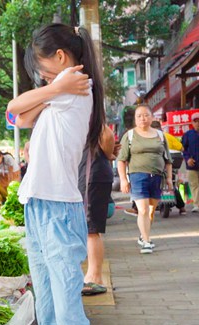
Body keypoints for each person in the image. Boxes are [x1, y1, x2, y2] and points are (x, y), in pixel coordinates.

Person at [6, 23, 121, 325]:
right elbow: (17, 115)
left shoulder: (76, 84)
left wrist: (50, 88)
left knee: (69, 316)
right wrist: (49, 90)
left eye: (40, 63)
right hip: (37, 207)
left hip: (57, 211)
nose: (38, 73)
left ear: (59, 58)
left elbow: (16, 104)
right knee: (50, 313)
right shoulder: (61, 88)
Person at [117, 105, 173, 254]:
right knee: (142, 209)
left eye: (146, 115)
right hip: (137, 176)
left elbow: (167, 159)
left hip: (156, 176)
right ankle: (147, 242)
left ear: (152, 117)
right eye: (139, 116)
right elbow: (121, 160)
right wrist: (123, 179)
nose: (143, 118)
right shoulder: (129, 136)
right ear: (135, 119)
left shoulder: (160, 135)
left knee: (151, 210)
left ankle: (143, 235)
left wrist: (169, 178)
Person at [80, 125, 117, 296]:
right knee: (87, 228)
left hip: (92, 176)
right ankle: (92, 275)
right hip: (88, 175)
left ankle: (95, 277)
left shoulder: (88, 111)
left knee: (91, 229)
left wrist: (107, 155)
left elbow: (106, 134)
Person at [151, 120, 187, 215]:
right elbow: (182, 148)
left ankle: (139, 208)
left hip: (156, 166)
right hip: (172, 165)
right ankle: (182, 207)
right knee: (173, 186)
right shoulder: (168, 136)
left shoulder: (149, 138)